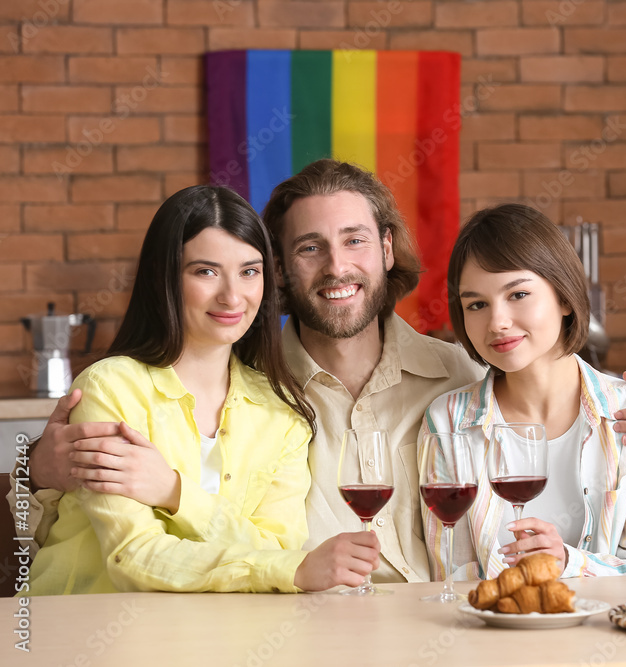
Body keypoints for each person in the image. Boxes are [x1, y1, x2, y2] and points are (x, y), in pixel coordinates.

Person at [14, 160, 626, 588]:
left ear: (384, 249)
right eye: (309, 248)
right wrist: (32, 472)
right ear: (281, 270)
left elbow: (569, 427)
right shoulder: (250, 384)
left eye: (353, 241)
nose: (337, 266)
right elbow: (102, 534)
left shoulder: (460, 374)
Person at [27, 185, 381, 595]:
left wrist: (175, 492)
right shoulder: (111, 389)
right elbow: (133, 556)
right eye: (206, 271)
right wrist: (286, 570)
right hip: (84, 636)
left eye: (249, 271)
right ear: (166, 278)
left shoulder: (283, 412)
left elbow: (279, 547)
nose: (233, 296)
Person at [421, 204, 626, 582]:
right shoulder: (447, 419)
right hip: (487, 637)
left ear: (564, 297)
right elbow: (448, 578)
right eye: (477, 304)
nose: (497, 322)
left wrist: (568, 563)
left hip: (608, 636)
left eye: (517, 295)